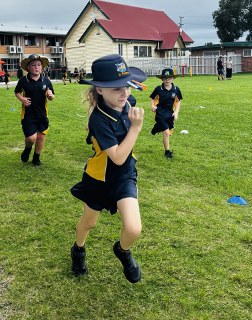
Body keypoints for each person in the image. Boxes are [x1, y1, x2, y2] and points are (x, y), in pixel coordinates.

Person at [70, 54, 147, 283]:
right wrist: (136, 128)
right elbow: (117, 158)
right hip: (99, 178)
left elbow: (124, 163)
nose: (124, 93)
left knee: (133, 229)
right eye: (116, 89)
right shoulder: (98, 119)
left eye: (126, 86)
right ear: (100, 90)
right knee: (89, 222)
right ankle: (78, 249)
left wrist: (132, 125)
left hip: (124, 177)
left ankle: (122, 251)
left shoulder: (128, 103)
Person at [14, 54, 55, 166]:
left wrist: (50, 95)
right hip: (28, 115)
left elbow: (51, 97)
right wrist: (22, 99)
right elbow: (17, 92)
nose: (36, 67)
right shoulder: (23, 80)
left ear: (42, 67)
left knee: (41, 137)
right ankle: (27, 149)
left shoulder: (46, 81)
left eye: (38, 65)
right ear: (28, 68)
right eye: (33, 65)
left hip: (42, 115)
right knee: (32, 138)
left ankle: (36, 158)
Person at [150, 68, 182, 158]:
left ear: (173, 79)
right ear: (162, 79)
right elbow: (152, 98)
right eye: (165, 78)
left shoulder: (176, 89)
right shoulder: (158, 89)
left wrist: (176, 112)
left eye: (169, 78)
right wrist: (152, 106)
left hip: (169, 114)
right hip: (159, 113)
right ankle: (167, 151)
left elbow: (178, 101)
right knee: (166, 132)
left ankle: (157, 127)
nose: (167, 80)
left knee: (168, 131)